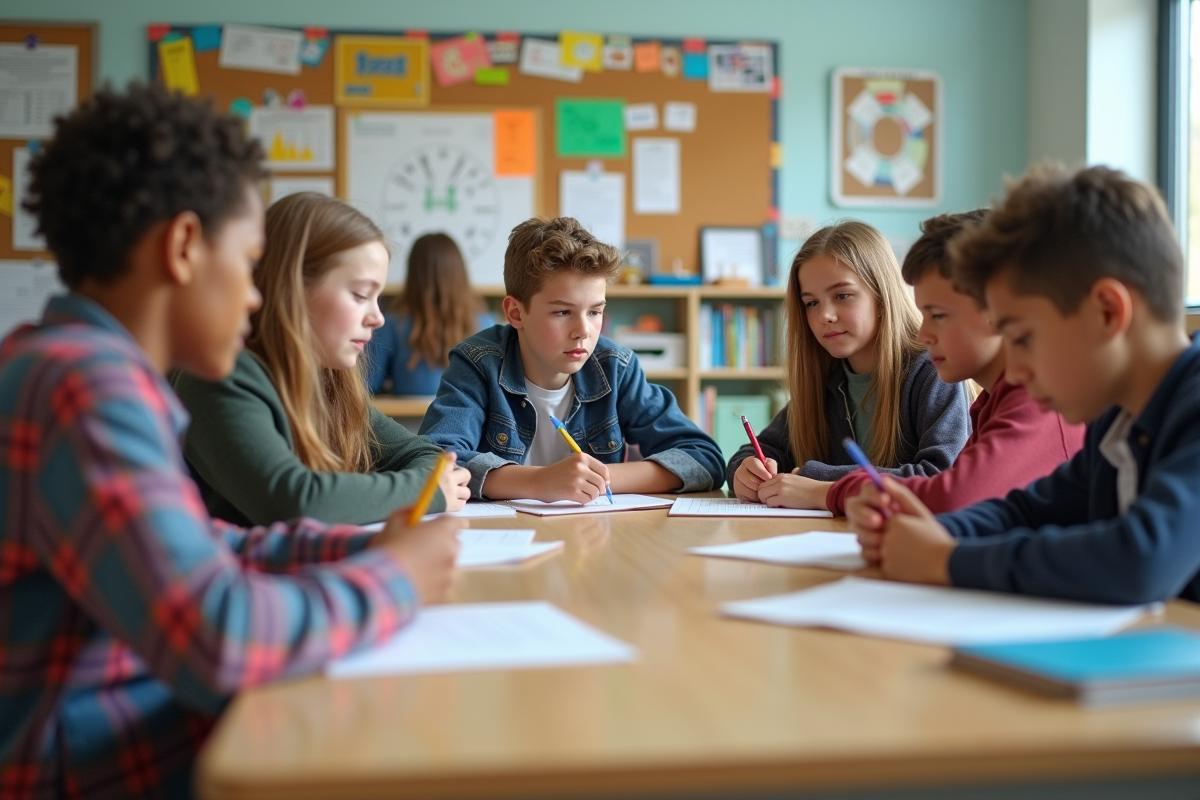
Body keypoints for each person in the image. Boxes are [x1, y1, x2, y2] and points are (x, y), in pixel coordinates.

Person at [0, 83, 458, 800]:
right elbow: (218, 633)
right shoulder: (83, 389)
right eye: (248, 265)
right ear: (184, 248)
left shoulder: (82, 368)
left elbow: (209, 545)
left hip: (137, 730)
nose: (254, 296)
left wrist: (366, 547)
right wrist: (395, 581)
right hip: (90, 766)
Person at [848, 164, 1200, 604]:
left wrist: (945, 561)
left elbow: (1140, 559)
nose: (1015, 370)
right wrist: (926, 531)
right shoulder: (1118, 420)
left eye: (1025, 338)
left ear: (1107, 312)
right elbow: (1027, 511)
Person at [173, 193, 471, 526]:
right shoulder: (220, 376)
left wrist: (426, 484)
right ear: (293, 288)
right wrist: (424, 491)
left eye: (378, 298)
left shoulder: (328, 381)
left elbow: (427, 456)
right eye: (360, 295)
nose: (378, 318)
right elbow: (297, 501)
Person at [420, 216, 725, 502]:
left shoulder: (615, 367)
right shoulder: (477, 363)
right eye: (562, 312)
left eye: (594, 312)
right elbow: (434, 461)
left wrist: (595, 480)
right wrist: (538, 483)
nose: (583, 331)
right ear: (516, 313)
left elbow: (703, 458)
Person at [826, 210, 1084, 515]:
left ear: (1001, 310)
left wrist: (832, 491)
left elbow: (953, 498)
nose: (923, 335)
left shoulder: (1041, 398)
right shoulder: (993, 402)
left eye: (938, 316)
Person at [727, 220, 970, 509]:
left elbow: (941, 479)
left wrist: (817, 482)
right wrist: (744, 471)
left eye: (842, 296)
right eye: (811, 303)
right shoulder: (827, 378)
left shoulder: (933, 371)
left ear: (881, 296)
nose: (824, 316)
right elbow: (759, 451)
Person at [365, 232, 495, 395]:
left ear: (413, 273)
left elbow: (368, 385)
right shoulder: (487, 324)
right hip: (471, 420)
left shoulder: (391, 324)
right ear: (460, 272)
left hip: (405, 420)